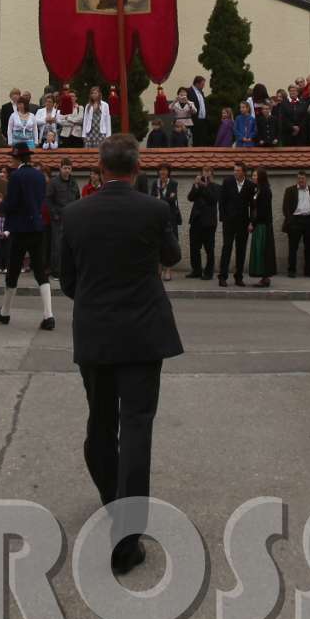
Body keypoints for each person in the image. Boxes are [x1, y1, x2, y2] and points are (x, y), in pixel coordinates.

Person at [56, 133, 183, 575]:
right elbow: (173, 255)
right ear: (137, 168)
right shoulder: (154, 209)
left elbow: (67, 280)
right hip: (144, 333)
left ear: (99, 167)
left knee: (101, 424)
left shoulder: (74, 213)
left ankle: (114, 501)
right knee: (136, 429)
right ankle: (126, 535)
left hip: (96, 333)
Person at [0, 142, 56, 330]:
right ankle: (49, 315)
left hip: (20, 228)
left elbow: (12, 203)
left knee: (13, 271)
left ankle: (5, 312)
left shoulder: (17, 176)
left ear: (17, 158)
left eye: (12, 157)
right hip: (37, 226)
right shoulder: (39, 176)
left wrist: (0, 205)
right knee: (40, 271)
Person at [282, 172, 310, 277]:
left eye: (303, 178)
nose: (301, 180)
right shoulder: (290, 190)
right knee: (293, 247)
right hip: (295, 221)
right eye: (299, 178)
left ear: (306, 179)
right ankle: (291, 270)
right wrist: (290, 221)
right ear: (297, 179)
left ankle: (308, 271)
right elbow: (285, 208)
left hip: (309, 222)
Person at [245, 168, 277, 288]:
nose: (253, 177)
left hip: (263, 225)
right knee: (260, 251)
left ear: (261, 176)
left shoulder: (265, 191)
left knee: (263, 251)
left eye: (255, 175)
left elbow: (262, 210)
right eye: (252, 175)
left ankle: (265, 277)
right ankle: (264, 277)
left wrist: (253, 223)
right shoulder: (257, 190)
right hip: (259, 224)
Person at [184, 170, 219, 279]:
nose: (205, 174)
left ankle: (208, 272)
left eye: (208, 172)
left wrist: (204, 186)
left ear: (212, 175)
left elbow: (212, 199)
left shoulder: (216, 187)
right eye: (204, 172)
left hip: (209, 223)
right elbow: (190, 198)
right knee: (194, 248)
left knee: (209, 248)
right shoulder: (198, 186)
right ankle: (196, 270)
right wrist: (195, 185)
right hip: (196, 221)